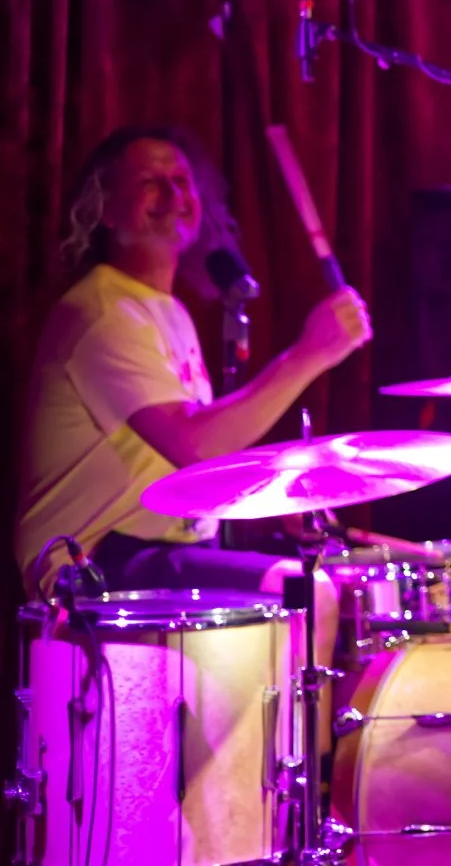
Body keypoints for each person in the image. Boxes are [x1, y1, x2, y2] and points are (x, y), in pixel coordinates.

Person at [17, 125, 370, 610]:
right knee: (311, 591)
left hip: (155, 550)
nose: (173, 194)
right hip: (92, 559)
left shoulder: (168, 311)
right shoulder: (102, 312)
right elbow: (194, 445)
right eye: (150, 181)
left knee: (338, 580)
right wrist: (311, 353)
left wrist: (273, 503)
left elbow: (189, 456)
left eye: (182, 180)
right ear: (105, 209)